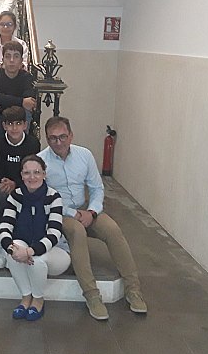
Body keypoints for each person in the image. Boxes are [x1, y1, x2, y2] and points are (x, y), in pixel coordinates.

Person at [38, 116, 148, 320]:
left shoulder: (85, 155)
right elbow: (44, 197)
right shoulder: (41, 161)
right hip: (59, 212)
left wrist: (92, 212)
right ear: (47, 139)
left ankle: (133, 289)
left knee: (112, 229)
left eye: (62, 137)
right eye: (53, 138)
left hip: (86, 209)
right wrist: (74, 214)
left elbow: (97, 188)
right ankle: (91, 295)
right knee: (77, 232)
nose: (58, 142)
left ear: (71, 136)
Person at [0, 155, 71, 321]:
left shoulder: (53, 197)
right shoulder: (15, 196)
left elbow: (54, 233)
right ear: (22, 175)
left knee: (37, 259)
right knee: (12, 250)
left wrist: (30, 251)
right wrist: (12, 249)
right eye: (27, 173)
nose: (32, 177)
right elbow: (5, 227)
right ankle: (26, 297)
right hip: (26, 245)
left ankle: (38, 299)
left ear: (44, 174)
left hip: (56, 252)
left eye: (37, 172)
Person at [0, 106, 41, 269]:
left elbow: (33, 170)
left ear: (25, 125)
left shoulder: (32, 143)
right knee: (3, 195)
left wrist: (16, 183)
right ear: (4, 125)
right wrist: (5, 182)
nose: (14, 128)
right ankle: (3, 240)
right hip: (4, 184)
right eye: (10, 124)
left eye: (18, 124)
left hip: (25, 184)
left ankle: (20, 239)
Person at [0, 41, 37, 140]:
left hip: (17, 113)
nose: (11, 60)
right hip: (0, 113)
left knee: (27, 112)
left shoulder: (27, 77)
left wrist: (0, 105)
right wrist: (21, 101)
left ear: (21, 60)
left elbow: (28, 102)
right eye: (8, 56)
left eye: (16, 56)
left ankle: (22, 144)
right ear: (2, 60)